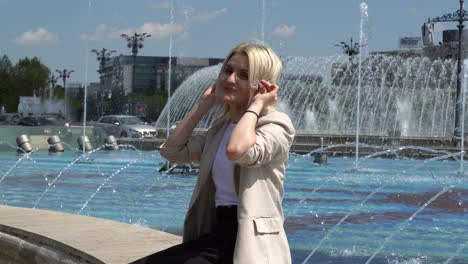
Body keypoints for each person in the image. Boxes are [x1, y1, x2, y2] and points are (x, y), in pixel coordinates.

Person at [132, 41, 295, 264]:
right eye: (228, 70)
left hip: (249, 242)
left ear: (262, 86)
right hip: (217, 232)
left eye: (244, 76)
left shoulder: (276, 125)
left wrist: (256, 106)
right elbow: (172, 151)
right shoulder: (220, 127)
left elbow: (238, 151)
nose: (230, 79)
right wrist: (203, 105)